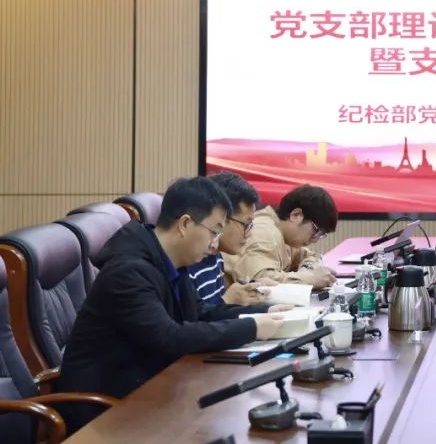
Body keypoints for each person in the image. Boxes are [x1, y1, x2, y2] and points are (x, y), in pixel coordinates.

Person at [57, 177, 287, 432]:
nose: (215, 244)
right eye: (214, 232)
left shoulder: (169, 260)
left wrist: (264, 312)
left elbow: (199, 312)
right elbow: (169, 337)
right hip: (105, 413)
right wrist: (253, 328)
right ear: (185, 224)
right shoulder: (128, 271)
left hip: (148, 390)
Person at [223, 184, 338, 290]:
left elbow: (310, 256)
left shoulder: (287, 236)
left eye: (322, 235)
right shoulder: (265, 233)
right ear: (296, 215)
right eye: (317, 231)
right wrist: (310, 279)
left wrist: (307, 270)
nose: (316, 239)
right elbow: (260, 283)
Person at [188, 172, 277, 306]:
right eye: (246, 224)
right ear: (222, 217)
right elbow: (199, 317)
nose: (249, 234)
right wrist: (228, 301)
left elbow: (215, 309)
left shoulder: (216, 257)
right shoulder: (190, 262)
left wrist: (251, 289)